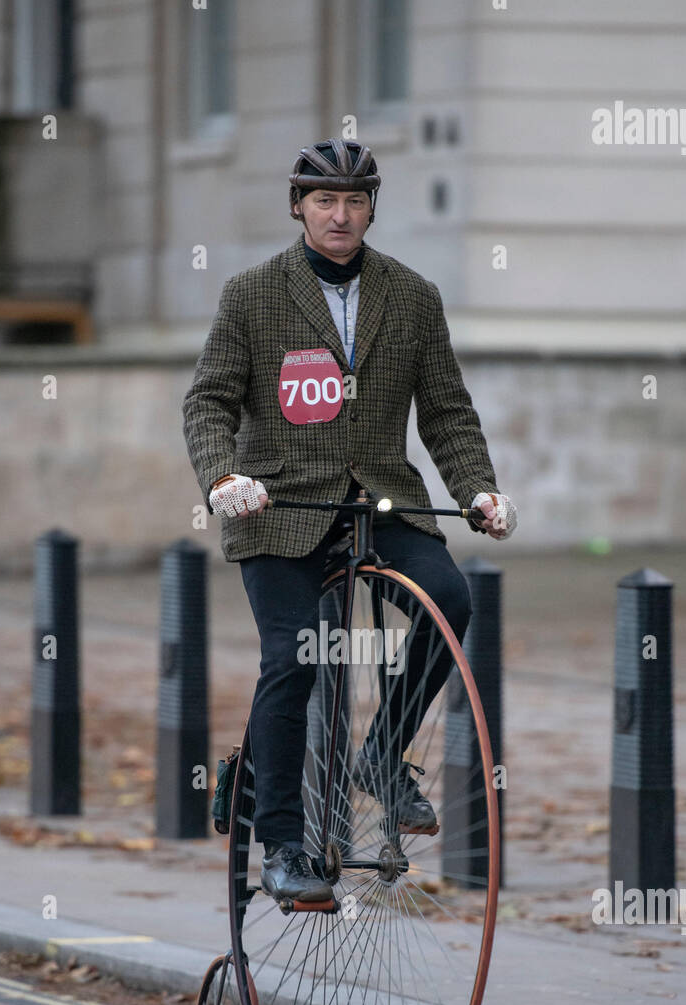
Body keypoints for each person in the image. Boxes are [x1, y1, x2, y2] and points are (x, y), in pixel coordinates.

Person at [183, 139, 517, 905]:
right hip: (280, 508)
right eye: (325, 201)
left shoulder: (411, 295)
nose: (341, 216)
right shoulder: (252, 294)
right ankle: (281, 846)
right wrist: (223, 477)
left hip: (378, 501)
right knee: (293, 659)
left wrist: (479, 489)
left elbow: (446, 412)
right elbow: (207, 401)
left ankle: (380, 756)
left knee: (451, 601)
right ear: (298, 206)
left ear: (372, 209)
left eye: (355, 201)